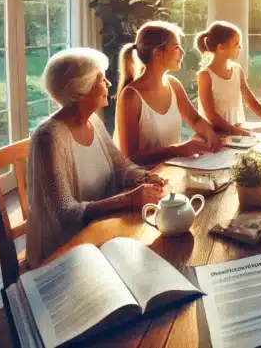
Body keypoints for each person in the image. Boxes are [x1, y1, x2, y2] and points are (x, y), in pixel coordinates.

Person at [27, 48, 166, 268]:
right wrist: (129, 199)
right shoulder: (49, 137)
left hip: (101, 230)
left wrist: (144, 176)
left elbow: (121, 166)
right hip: (66, 249)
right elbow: (65, 213)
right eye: (101, 80)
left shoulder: (94, 121)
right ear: (79, 91)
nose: (108, 84)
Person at [115, 21, 222, 164]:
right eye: (177, 47)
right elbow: (131, 157)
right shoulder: (131, 96)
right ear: (157, 53)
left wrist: (210, 135)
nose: (182, 53)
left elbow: (195, 120)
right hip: (146, 180)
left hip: (171, 172)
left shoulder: (173, 84)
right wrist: (178, 150)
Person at [196, 21, 261, 135]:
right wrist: (239, 132)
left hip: (237, 131)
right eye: (236, 44)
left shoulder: (237, 70)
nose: (240, 47)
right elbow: (211, 115)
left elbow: (250, 100)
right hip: (215, 135)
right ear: (221, 47)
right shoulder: (205, 75)